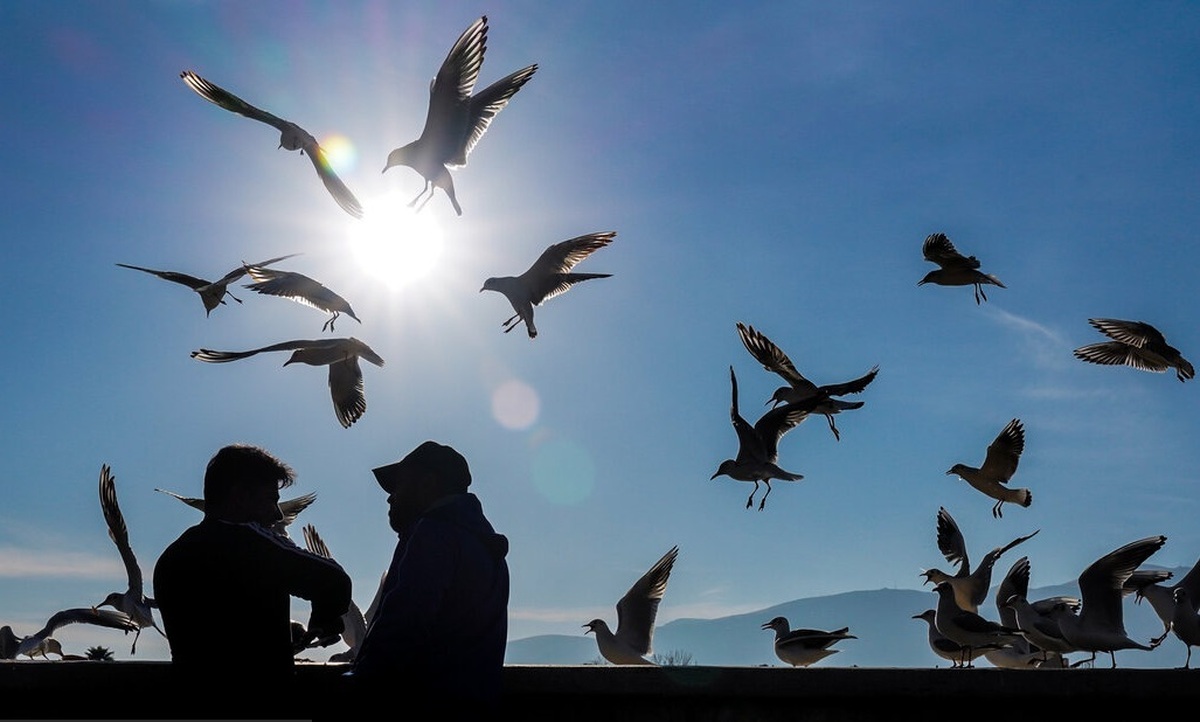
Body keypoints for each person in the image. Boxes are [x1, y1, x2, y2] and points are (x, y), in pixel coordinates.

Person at [153, 443, 352, 678]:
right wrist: (323, 621)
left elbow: (218, 634)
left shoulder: (173, 556)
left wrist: (279, 632)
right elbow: (334, 580)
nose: (277, 514)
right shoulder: (249, 542)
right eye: (271, 499)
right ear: (240, 496)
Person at [352, 440, 510, 705]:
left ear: (427, 484)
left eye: (399, 486)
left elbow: (404, 624)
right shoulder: (486, 544)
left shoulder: (435, 533)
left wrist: (363, 684)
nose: (390, 497)